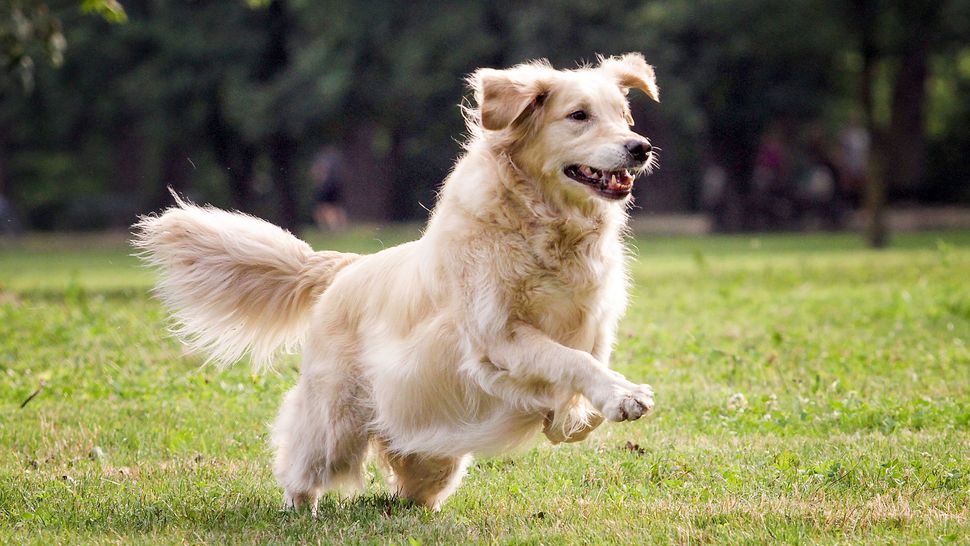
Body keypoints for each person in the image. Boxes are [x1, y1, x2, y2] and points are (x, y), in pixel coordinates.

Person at [310, 148, 347, 231]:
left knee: (326, 207)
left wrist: (319, 182)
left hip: (326, 185)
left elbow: (317, 171)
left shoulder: (320, 157)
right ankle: (342, 228)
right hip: (338, 184)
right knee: (337, 206)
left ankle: (332, 228)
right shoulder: (336, 158)